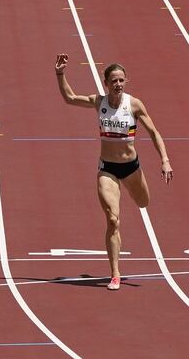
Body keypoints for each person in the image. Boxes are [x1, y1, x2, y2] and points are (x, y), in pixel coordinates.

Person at [55, 54, 172, 290]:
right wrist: (60, 73)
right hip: (107, 168)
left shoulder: (135, 104)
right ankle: (115, 273)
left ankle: (131, 189)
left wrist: (165, 160)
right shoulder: (100, 102)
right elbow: (69, 98)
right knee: (112, 219)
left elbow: (154, 132)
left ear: (125, 81)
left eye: (121, 80)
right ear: (106, 83)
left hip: (131, 167)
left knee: (143, 202)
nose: (118, 84)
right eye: (113, 81)